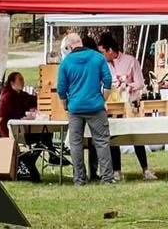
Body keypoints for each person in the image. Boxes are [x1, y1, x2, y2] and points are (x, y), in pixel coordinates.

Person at [57, 31, 114, 186]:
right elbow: (108, 81)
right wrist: (103, 98)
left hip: (75, 108)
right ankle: (107, 178)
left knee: (76, 144)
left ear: (69, 46)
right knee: (102, 142)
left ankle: (79, 179)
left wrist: (66, 106)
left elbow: (61, 90)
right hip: (96, 107)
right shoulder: (97, 58)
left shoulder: (66, 63)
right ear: (80, 42)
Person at [98, 32, 155, 181]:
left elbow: (140, 83)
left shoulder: (130, 61)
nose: (102, 55)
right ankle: (117, 170)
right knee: (114, 138)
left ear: (110, 50)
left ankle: (145, 169)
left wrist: (127, 85)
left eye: (103, 52)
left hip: (130, 105)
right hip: (112, 107)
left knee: (136, 138)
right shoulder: (103, 65)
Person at [0, 72, 36, 136]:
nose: (23, 82)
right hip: (9, 131)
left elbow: (30, 99)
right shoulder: (8, 96)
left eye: (23, 80)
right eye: (20, 80)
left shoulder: (18, 93)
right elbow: (18, 113)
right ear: (12, 83)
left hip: (17, 127)